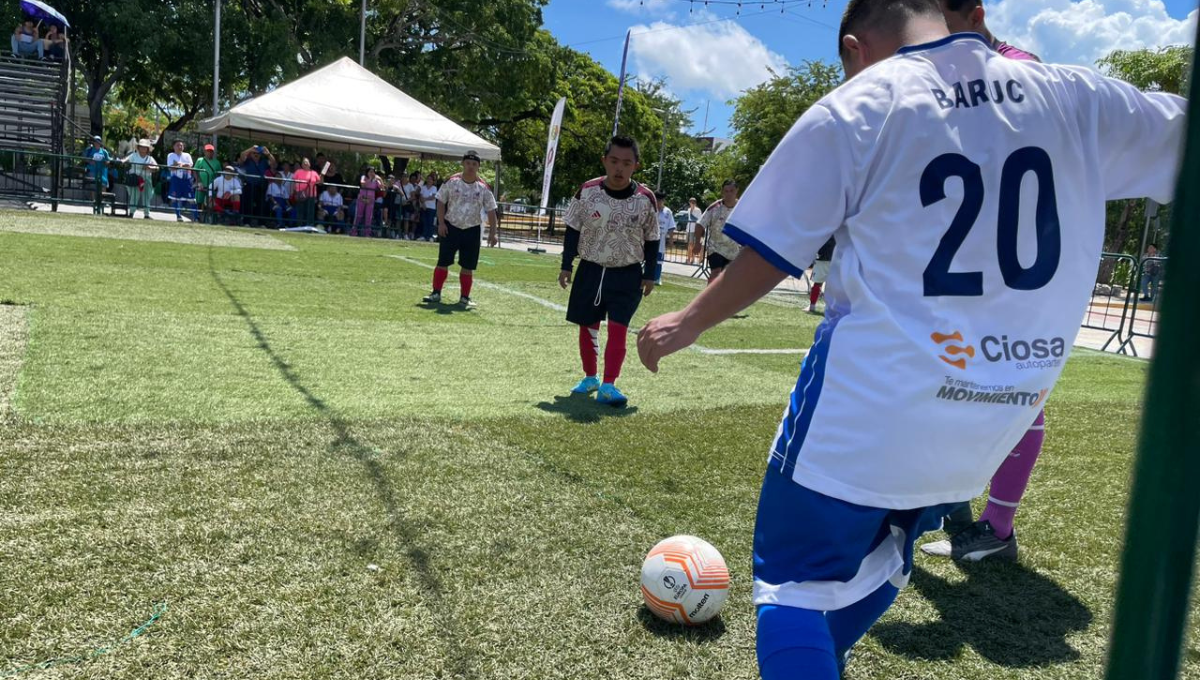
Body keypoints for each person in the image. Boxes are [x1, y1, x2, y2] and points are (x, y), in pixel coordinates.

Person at [635, 0, 1185, 676]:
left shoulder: (862, 104)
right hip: (992, 424)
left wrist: (686, 322)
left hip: (873, 408)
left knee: (794, 587)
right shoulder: (1076, 95)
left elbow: (776, 248)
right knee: (884, 556)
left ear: (854, 47)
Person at [919, 0, 1046, 562]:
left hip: (1018, 267)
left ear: (973, 15)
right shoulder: (946, 74)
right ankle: (956, 515)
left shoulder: (1021, 69)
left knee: (1020, 392)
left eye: (942, 29)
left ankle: (997, 531)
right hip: (968, 263)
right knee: (948, 385)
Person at [559, 135, 659, 407]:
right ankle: (590, 377)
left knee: (618, 329)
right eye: (614, 161)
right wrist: (567, 265)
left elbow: (652, 238)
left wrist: (651, 273)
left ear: (635, 166)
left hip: (627, 274)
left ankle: (609, 384)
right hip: (591, 269)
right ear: (604, 161)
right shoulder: (587, 191)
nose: (619, 168)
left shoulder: (645, 198)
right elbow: (573, 228)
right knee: (588, 327)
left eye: (626, 163)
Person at [421, 151, 499, 309]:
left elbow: (491, 210)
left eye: (474, 164)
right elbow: (441, 201)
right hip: (451, 227)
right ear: (463, 164)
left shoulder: (483, 187)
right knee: (443, 261)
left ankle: (464, 297)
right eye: (468, 163)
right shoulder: (451, 181)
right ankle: (436, 292)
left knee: (468, 266)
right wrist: (441, 223)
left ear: (478, 166)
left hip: (472, 229)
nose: (471, 167)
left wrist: (493, 233)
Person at [700, 180, 742, 284]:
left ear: (736, 191)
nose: (729, 194)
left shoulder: (743, 207)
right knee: (716, 272)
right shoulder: (715, 208)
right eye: (726, 191)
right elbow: (700, 224)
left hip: (733, 250)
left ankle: (724, 299)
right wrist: (697, 242)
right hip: (715, 247)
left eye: (731, 191)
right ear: (722, 192)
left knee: (728, 278)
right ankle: (709, 298)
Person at [237, 145, 274, 226]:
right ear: (251, 154)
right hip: (249, 185)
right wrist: (250, 149)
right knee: (248, 205)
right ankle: (246, 222)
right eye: (254, 153)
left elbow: (273, 163)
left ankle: (261, 224)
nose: (256, 154)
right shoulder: (248, 160)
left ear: (261, 154)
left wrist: (268, 154)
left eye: (258, 153)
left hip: (260, 186)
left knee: (261, 205)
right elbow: (242, 155)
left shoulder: (264, 161)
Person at [123, 139, 158, 220]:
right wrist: (122, 161)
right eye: (141, 147)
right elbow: (125, 160)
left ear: (147, 149)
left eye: (145, 147)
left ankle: (146, 214)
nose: (143, 148)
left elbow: (157, 167)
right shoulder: (133, 155)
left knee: (147, 196)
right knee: (134, 196)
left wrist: (149, 167)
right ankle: (131, 213)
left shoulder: (150, 158)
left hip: (147, 178)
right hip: (136, 178)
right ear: (138, 147)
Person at [165, 140, 197, 222]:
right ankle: (178, 216)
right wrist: (182, 165)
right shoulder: (171, 155)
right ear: (174, 147)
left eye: (181, 145)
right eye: (178, 145)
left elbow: (189, 166)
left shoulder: (187, 155)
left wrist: (178, 164)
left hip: (187, 180)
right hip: (176, 179)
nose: (180, 147)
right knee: (174, 198)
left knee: (192, 199)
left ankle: (195, 217)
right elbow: (171, 167)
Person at [193, 144, 222, 224]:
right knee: (198, 201)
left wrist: (216, 185)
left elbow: (219, 175)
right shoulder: (200, 160)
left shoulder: (217, 162)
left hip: (212, 187)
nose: (209, 153)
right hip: (201, 185)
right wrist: (199, 182)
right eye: (208, 151)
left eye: (211, 151)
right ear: (204, 152)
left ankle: (208, 218)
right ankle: (197, 217)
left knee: (209, 203)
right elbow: (195, 171)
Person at [85, 136, 112, 215]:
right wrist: (90, 161)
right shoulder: (89, 150)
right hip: (92, 170)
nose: (97, 142)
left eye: (99, 141)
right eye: (95, 141)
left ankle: (102, 201)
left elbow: (108, 161)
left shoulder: (104, 151)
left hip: (102, 171)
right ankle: (94, 201)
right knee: (94, 185)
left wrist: (105, 163)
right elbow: (85, 158)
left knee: (103, 184)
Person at [808, 238, 836, 314]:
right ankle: (830, 308)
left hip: (822, 258)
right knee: (832, 285)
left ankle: (812, 306)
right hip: (835, 258)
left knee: (817, 283)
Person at [292, 158, 321, 228]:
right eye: (303, 162)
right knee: (300, 210)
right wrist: (294, 192)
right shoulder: (298, 172)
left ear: (309, 164)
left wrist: (322, 175)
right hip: (300, 194)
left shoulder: (314, 173)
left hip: (311, 195)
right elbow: (293, 181)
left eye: (306, 162)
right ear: (301, 164)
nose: (305, 164)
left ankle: (309, 225)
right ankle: (299, 225)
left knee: (310, 211)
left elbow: (319, 182)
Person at [354, 167, 382, 237]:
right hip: (362, 198)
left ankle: (367, 233)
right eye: (370, 171)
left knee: (368, 217)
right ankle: (354, 231)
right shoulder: (364, 177)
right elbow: (363, 184)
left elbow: (381, 187)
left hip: (370, 200)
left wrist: (380, 179)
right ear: (367, 172)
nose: (372, 173)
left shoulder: (376, 180)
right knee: (359, 215)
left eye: (373, 172)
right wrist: (370, 179)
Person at [654, 192, 673, 286]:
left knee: (659, 260)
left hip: (661, 239)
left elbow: (671, 226)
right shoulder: (651, 209)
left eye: (661, 200)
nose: (659, 202)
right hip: (650, 238)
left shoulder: (668, 212)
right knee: (649, 258)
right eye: (657, 200)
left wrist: (671, 240)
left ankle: (657, 278)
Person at [419, 174, 439, 241]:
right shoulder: (423, 187)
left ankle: (430, 236)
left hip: (431, 208)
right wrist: (423, 204)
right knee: (424, 222)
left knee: (430, 222)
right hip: (424, 207)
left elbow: (433, 197)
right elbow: (421, 197)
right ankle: (423, 236)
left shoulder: (434, 188)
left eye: (431, 179)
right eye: (428, 179)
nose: (429, 180)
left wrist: (425, 199)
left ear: (433, 181)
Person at [684, 197, 703, 265]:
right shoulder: (689, 210)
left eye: (693, 202)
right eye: (691, 202)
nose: (692, 204)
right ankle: (689, 258)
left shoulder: (698, 210)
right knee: (689, 244)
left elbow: (699, 219)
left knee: (692, 244)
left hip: (694, 229)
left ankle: (692, 259)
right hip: (689, 228)